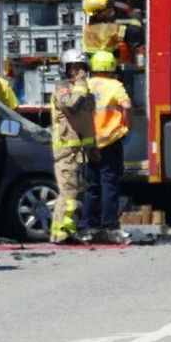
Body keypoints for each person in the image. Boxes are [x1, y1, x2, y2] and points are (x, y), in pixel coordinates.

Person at [80, 51, 133, 245]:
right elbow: (126, 105)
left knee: (91, 186)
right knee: (109, 184)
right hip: (110, 141)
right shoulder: (115, 85)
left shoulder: (85, 85)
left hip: (89, 142)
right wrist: (127, 126)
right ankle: (110, 226)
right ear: (112, 67)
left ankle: (88, 226)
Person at [49, 49, 96, 244]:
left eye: (81, 68)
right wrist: (80, 86)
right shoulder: (63, 90)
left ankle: (70, 229)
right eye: (74, 68)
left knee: (76, 194)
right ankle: (61, 232)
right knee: (68, 194)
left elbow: (88, 122)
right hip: (66, 152)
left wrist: (94, 148)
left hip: (81, 152)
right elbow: (71, 106)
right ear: (65, 70)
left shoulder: (84, 92)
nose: (79, 73)